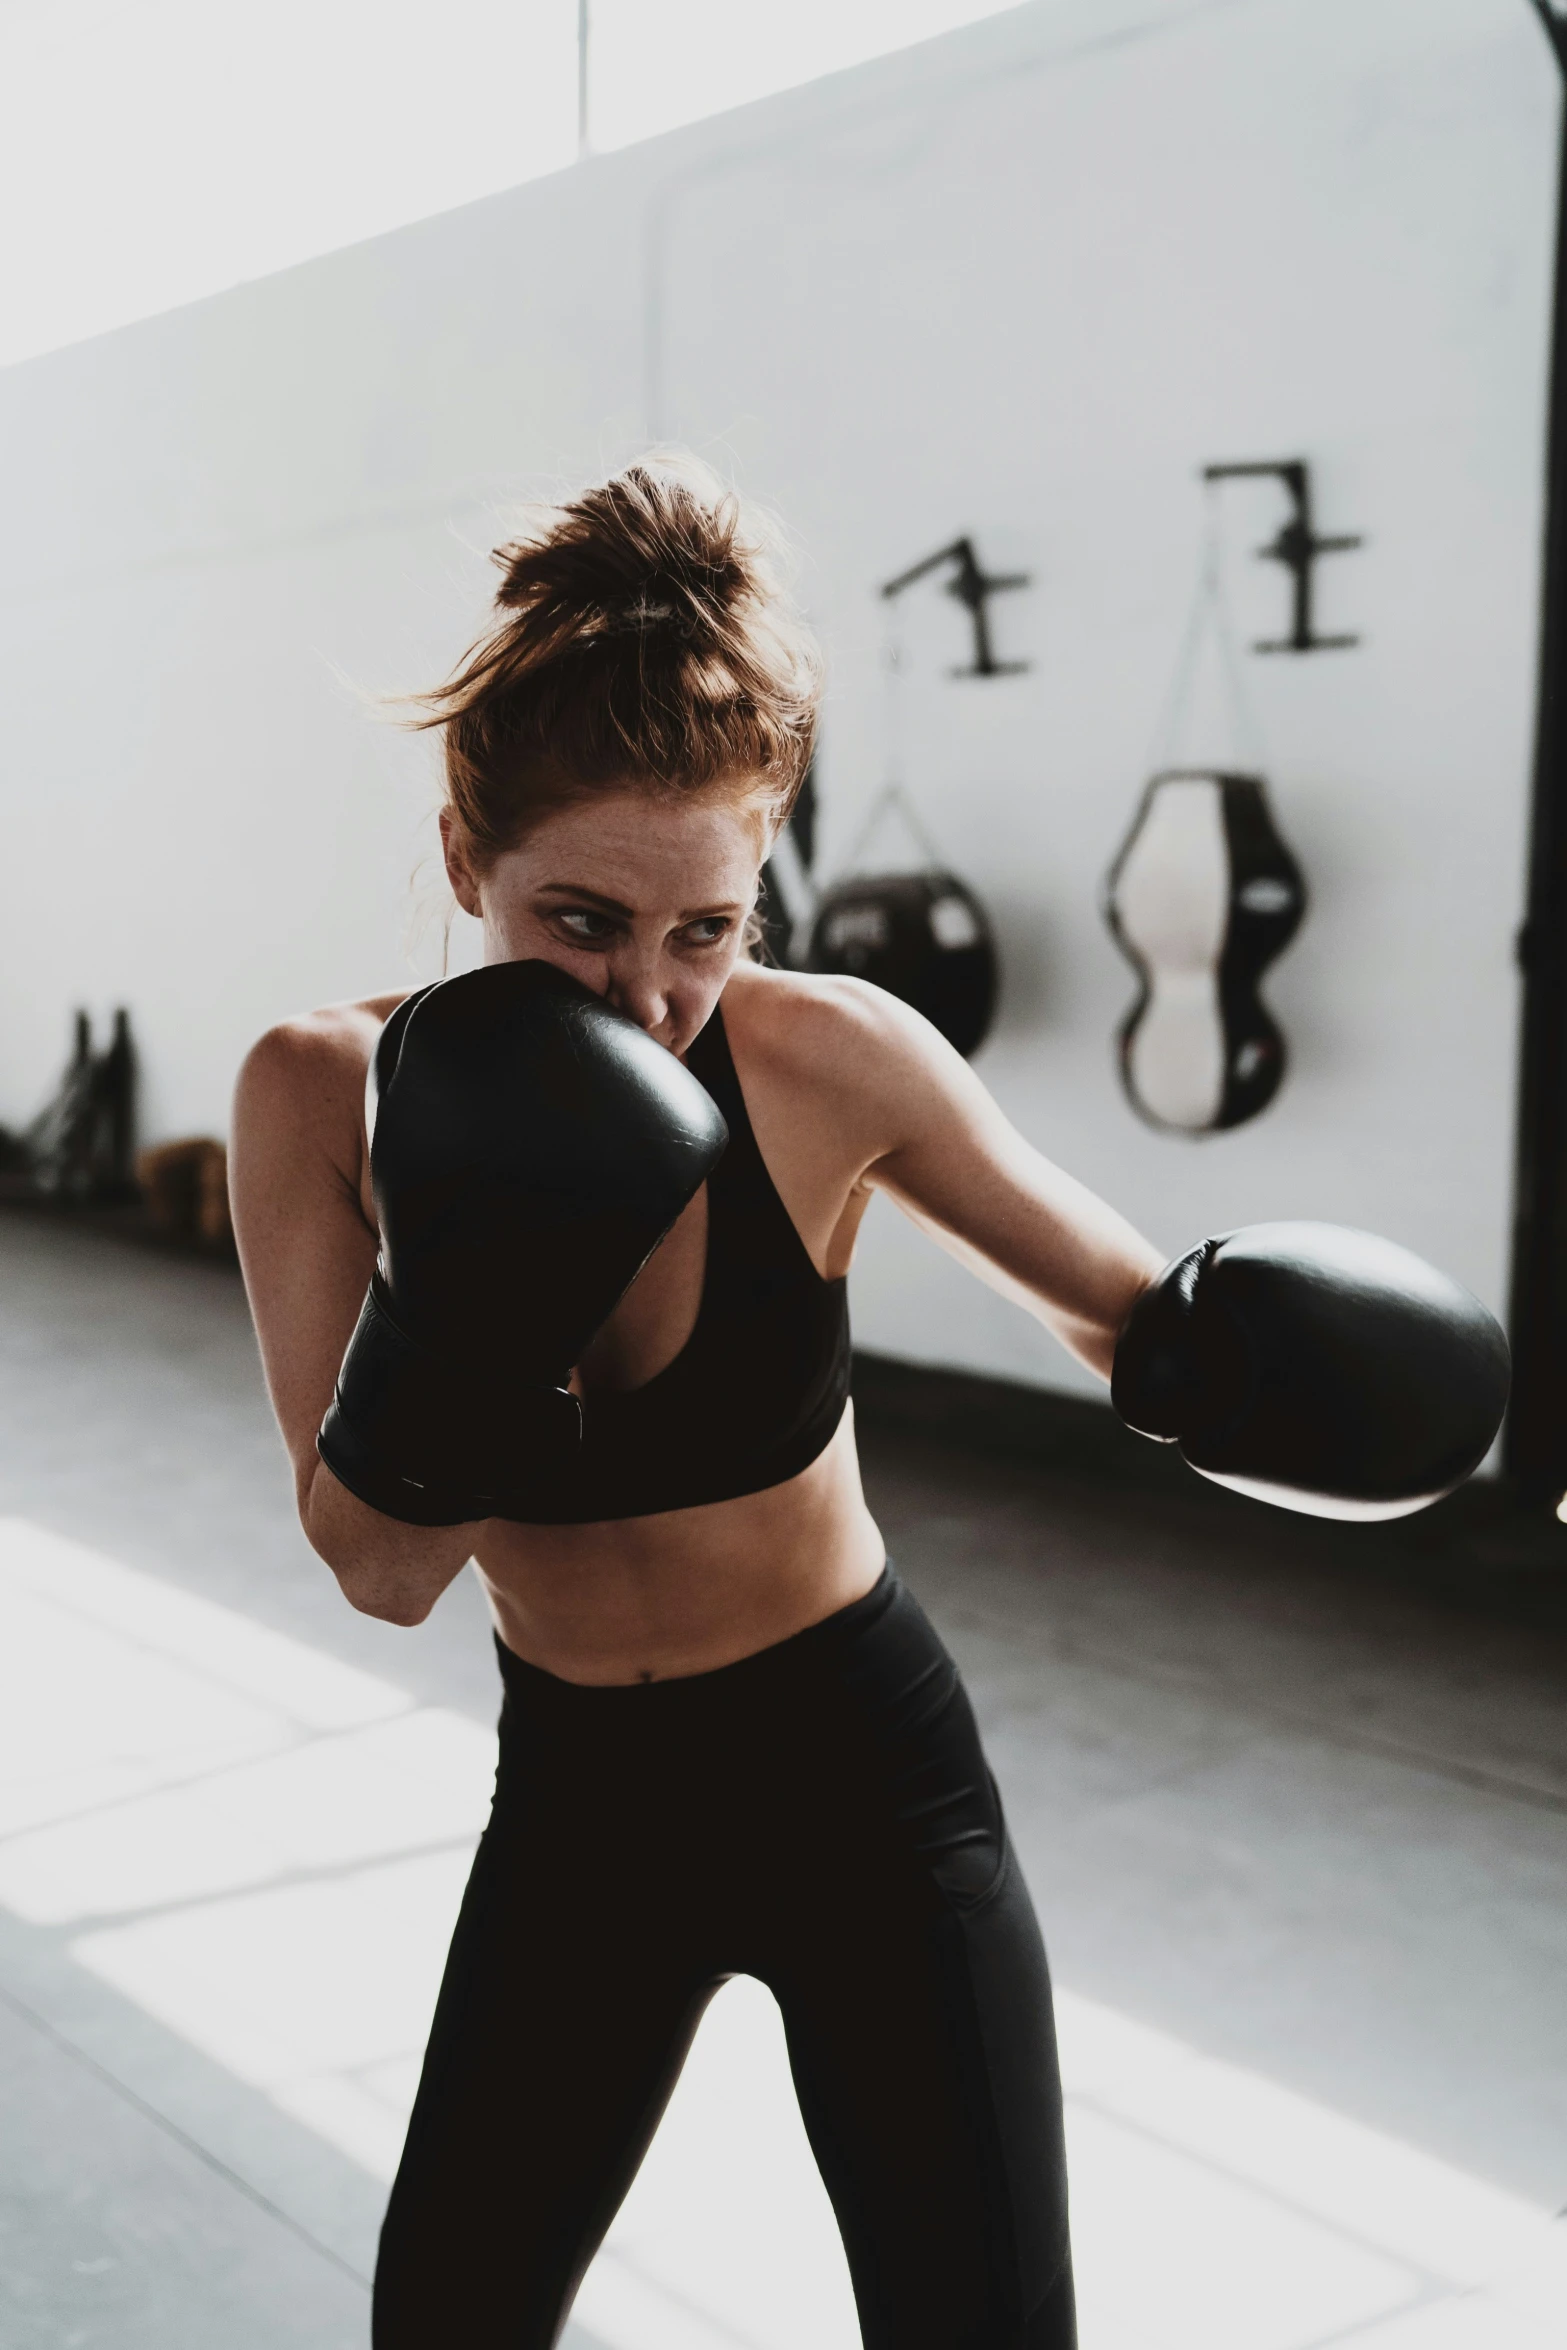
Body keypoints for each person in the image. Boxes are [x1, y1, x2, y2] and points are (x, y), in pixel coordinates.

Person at [229, 459, 1507, 2350]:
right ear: (457, 859)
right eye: (578, 921)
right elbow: (378, 1563)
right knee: (446, 2320)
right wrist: (480, 1271)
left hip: (864, 1777)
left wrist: (1276, 1368)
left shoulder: (832, 1057)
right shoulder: (318, 1097)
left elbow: (1127, 1315)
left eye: (707, 930)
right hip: (582, 1802)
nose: (649, 997)